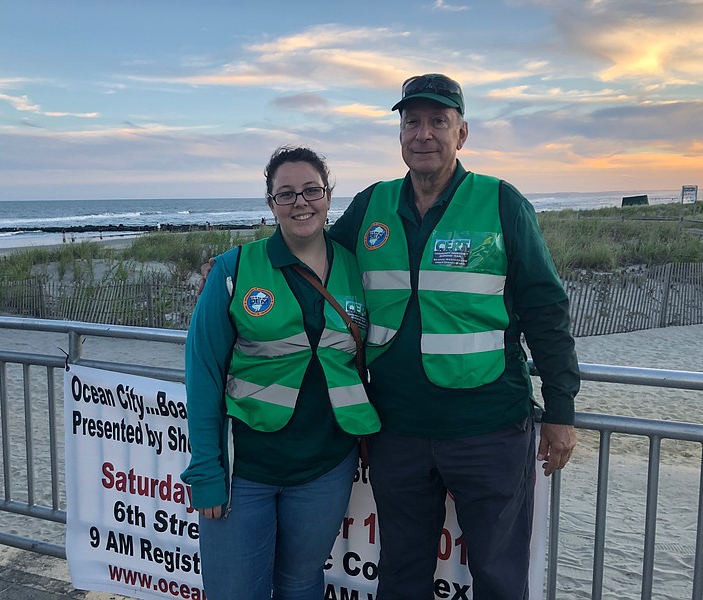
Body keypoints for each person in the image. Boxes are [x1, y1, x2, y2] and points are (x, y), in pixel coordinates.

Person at [326, 73, 580, 599]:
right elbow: (313, 264)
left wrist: (560, 409)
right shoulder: (370, 206)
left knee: (498, 575)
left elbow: (545, 308)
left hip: (489, 432)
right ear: (399, 135)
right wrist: (242, 268)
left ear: (461, 134)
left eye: (437, 122)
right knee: (400, 574)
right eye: (411, 121)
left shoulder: (502, 203)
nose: (423, 134)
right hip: (397, 433)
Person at [181, 146, 380, 600]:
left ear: (329, 197)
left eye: (311, 190)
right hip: (245, 468)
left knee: (300, 582)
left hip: (326, 465)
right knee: (235, 591)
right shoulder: (234, 269)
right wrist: (206, 469)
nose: (300, 202)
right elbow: (204, 372)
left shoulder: (357, 268)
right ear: (270, 203)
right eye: (285, 193)